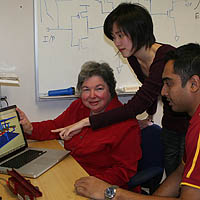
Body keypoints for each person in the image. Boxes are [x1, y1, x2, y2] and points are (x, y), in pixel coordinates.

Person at [52, 2, 189, 177]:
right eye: (113, 36)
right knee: (173, 174)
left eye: (120, 35)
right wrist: (150, 117)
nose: (116, 43)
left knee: (188, 177)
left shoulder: (165, 56)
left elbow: (136, 105)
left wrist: (86, 121)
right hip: (171, 122)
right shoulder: (133, 57)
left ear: (138, 31)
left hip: (191, 122)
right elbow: (150, 90)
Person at [74, 43, 200, 199]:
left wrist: (111, 193)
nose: (162, 91)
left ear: (194, 84)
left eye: (168, 83)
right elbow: (181, 171)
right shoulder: (194, 121)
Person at [17, 61, 142, 191]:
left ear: (110, 89)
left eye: (99, 89)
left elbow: (124, 171)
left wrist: (91, 182)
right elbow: (55, 126)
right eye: (86, 89)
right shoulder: (79, 107)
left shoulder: (126, 124)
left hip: (100, 186)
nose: (92, 95)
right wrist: (30, 128)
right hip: (71, 171)